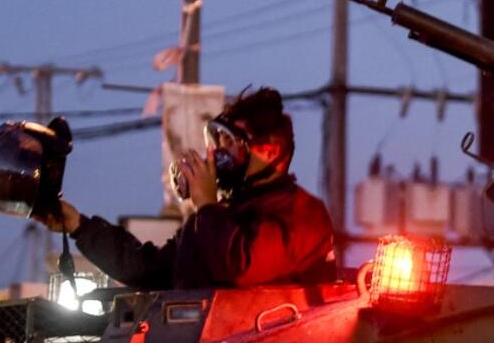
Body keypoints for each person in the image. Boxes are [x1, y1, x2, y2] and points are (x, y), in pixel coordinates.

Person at [37, 87, 336, 290]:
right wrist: (79, 226)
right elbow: (147, 269)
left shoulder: (303, 214)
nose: (217, 153)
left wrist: (206, 205)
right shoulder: (218, 217)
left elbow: (242, 268)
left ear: (269, 151)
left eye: (230, 142)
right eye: (216, 141)